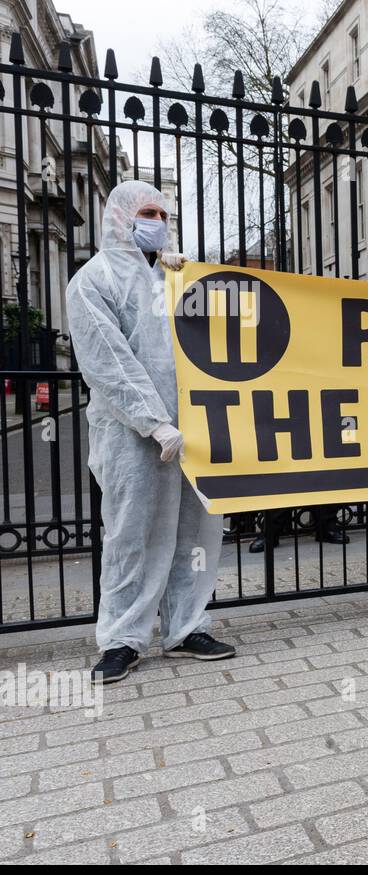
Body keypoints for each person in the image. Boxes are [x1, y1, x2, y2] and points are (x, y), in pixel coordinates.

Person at [66, 180, 236, 684]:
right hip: (132, 436)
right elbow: (107, 362)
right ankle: (121, 638)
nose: (157, 221)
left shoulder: (174, 277)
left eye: (163, 213)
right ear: (120, 216)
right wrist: (154, 421)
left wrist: (200, 285)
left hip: (197, 427)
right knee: (131, 535)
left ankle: (187, 627)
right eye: (147, 212)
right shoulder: (92, 281)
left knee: (197, 531)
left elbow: (222, 342)